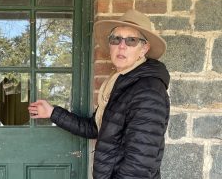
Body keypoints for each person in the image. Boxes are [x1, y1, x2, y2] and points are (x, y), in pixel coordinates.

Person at [28, 9, 170, 179]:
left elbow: (139, 164)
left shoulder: (148, 90)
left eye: (131, 40)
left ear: (144, 48)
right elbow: (95, 128)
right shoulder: (121, 83)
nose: (121, 45)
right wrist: (52, 112)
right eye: (116, 39)